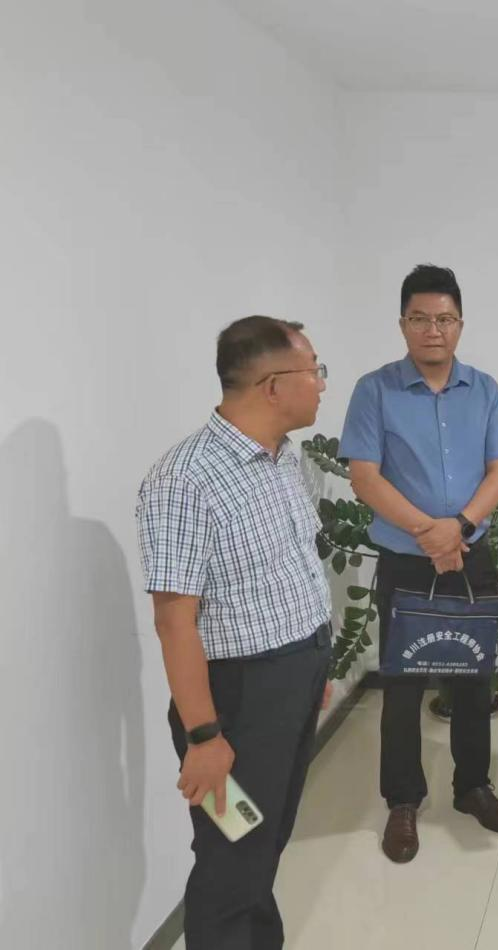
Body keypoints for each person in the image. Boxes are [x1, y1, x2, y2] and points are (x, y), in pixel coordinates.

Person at [136, 316, 333, 950]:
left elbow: (293, 572)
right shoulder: (185, 480)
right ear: (273, 385)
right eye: (314, 371)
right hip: (237, 702)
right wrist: (204, 737)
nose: (321, 384)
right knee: (232, 856)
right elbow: (174, 621)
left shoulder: (282, 460)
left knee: (264, 843)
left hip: (294, 678)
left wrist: (315, 669)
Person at [341, 264, 498, 864]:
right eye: (420, 318)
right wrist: (429, 532)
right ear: (402, 324)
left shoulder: (484, 389)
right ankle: (402, 801)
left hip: (471, 553)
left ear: (460, 324)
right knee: (402, 685)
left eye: (444, 319)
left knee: (473, 678)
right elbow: (364, 476)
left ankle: (472, 787)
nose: (433, 329)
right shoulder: (374, 390)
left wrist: (459, 527)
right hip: (406, 560)